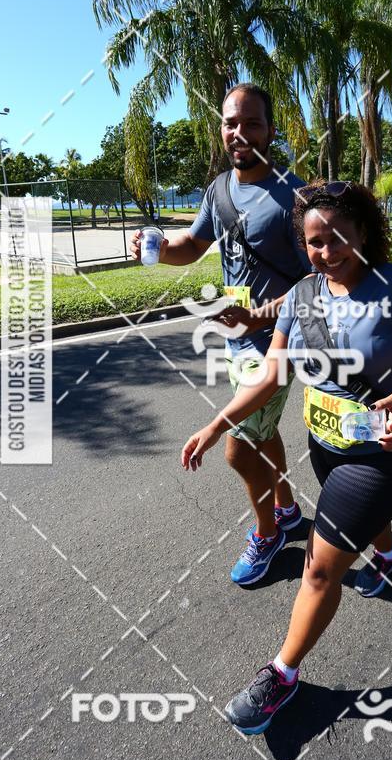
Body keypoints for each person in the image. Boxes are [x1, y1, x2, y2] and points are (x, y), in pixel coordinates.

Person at [181, 182, 392, 734]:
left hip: (382, 453)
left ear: (364, 234)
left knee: (322, 567)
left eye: (335, 239)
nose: (324, 252)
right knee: (364, 527)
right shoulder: (303, 295)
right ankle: (390, 554)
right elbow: (271, 372)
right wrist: (216, 423)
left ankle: (282, 675)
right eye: (313, 242)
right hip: (324, 443)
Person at [130, 84, 311, 586]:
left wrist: (258, 318)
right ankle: (289, 508)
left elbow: (314, 284)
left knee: (236, 446)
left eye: (252, 123)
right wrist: (162, 249)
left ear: (271, 131)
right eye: (232, 122)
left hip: (277, 344)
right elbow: (194, 243)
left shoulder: (294, 198)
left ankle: (268, 531)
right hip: (238, 339)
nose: (239, 132)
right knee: (262, 432)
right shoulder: (219, 190)